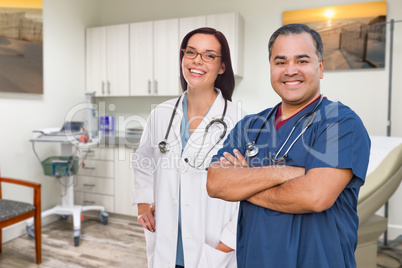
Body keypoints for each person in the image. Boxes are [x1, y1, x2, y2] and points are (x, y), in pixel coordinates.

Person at [207, 24, 371, 267]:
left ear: (321, 67)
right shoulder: (250, 125)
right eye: (280, 62)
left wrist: (244, 182)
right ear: (271, 68)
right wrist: (283, 172)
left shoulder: (340, 122)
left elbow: (315, 196)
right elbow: (216, 183)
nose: (290, 70)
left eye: (302, 61)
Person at [132, 27, 246, 268]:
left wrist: (227, 242)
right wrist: (143, 202)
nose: (197, 60)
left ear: (222, 66)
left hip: (212, 247)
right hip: (166, 243)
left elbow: (248, 190)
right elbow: (142, 160)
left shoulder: (240, 121)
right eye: (191, 52)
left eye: (209, 55)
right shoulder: (161, 114)